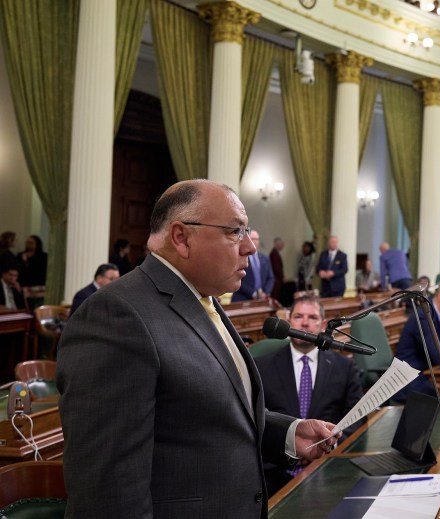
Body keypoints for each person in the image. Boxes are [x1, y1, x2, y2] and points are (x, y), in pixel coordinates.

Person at [57, 179, 338, 518]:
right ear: (181, 237)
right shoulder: (117, 315)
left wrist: (289, 433)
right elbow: (107, 491)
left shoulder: (203, 298)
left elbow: (207, 414)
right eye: (235, 231)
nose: (250, 246)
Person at [255, 295, 364, 495]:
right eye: (298, 316)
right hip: (275, 471)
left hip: (329, 466)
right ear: (289, 320)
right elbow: (257, 418)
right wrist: (292, 446)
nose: (304, 322)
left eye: (312, 317)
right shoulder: (261, 367)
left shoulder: (345, 367)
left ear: (323, 325)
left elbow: (355, 418)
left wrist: (327, 445)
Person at [233, 229, 274, 302]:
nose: (254, 241)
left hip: (262, 299)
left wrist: (265, 292)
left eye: (256, 239)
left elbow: (271, 278)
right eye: (251, 239)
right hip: (242, 300)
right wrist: (253, 293)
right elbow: (236, 279)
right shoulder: (240, 257)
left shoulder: (265, 258)